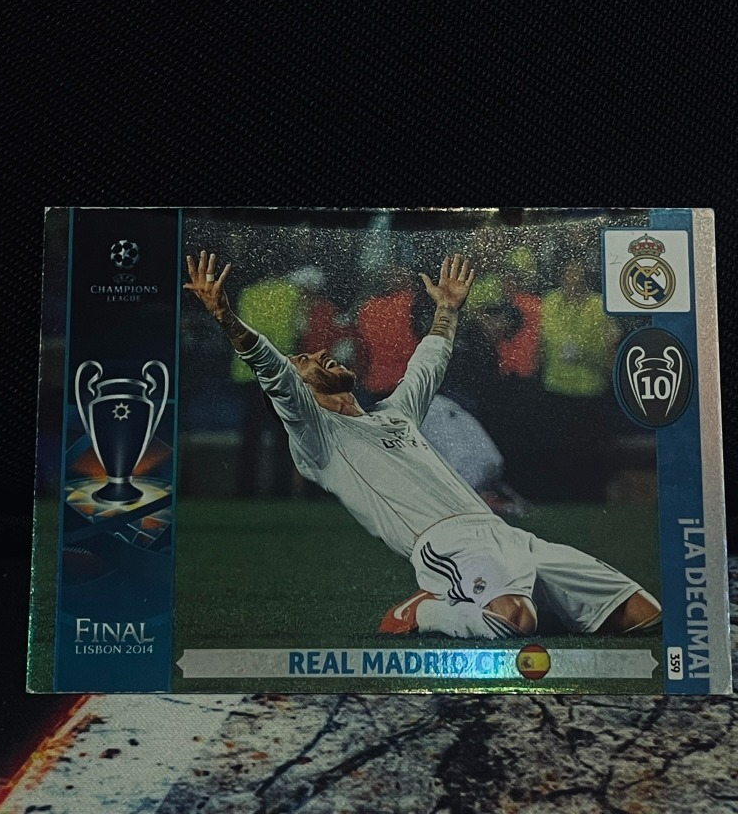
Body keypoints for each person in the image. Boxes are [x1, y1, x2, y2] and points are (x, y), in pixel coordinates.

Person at [185, 250, 661, 641]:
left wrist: (447, 310)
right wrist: (226, 317)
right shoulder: (320, 441)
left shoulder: (394, 414)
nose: (321, 353)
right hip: (445, 545)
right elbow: (274, 374)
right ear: (299, 389)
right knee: (511, 622)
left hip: (502, 531)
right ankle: (425, 610)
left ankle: (522, 603)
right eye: (306, 359)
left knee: (643, 614)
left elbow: (427, 364)